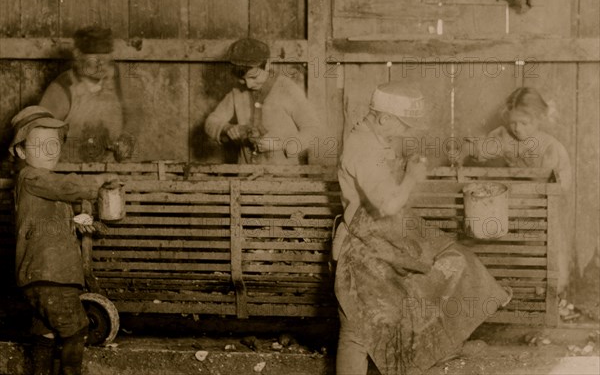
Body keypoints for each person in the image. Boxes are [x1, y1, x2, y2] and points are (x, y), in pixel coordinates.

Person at [333, 83, 511, 375]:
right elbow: (387, 204)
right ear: (383, 118)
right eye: (404, 125)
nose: (407, 132)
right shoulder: (363, 147)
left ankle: (438, 348)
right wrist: (412, 177)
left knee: (444, 271)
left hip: (381, 242)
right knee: (356, 332)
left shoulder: (377, 138)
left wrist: (405, 167)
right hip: (361, 253)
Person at [9, 106, 118, 375]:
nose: (49, 151)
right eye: (40, 145)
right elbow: (65, 187)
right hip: (51, 277)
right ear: (21, 152)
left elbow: (45, 224)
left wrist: (76, 225)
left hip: (40, 276)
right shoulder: (32, 176)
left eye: (54, 144)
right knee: (77, 330)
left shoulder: (38, 185)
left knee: (46, 334)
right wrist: (100, 183)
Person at [204, 38, 320, 165]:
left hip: (284, 177)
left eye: (254, 77)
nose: (248, 84)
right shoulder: (237, 91)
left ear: (268, 65)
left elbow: (314, 130)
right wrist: (227, 128)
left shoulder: (287, 89)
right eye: (242, 79)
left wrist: (280, 144)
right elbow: (211, 121)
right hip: (246, 176)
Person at [39, 26, 134, 163]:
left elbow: (133, 114)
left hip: (111, 174)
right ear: (78, 55)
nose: (102, 64)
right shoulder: (61, 90)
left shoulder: (116, 81)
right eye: (95, 58)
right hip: (71, 175)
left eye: (106, 59)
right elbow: (37, 141)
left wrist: (127, 136)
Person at [464, 87, 571, 190]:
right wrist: (467, 149)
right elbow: (484, 148)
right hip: (510, 199)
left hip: (540, 202)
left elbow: (562, 185)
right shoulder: (506, 137)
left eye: (524, 123)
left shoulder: (550, 147)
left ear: (540, 118)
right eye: (512, 123)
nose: (517, 129)